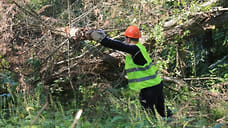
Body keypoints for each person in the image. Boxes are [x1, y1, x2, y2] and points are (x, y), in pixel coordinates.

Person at [87, 25, 172, 117]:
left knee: (149, 113)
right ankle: (176, 123)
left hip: (149, 88)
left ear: (127, 38)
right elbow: (121, 45)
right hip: (156, 84)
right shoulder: (139, 48)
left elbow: (120, 46)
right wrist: (106, 39)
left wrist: (103, 40)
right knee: (163, 110)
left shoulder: (135, 49)